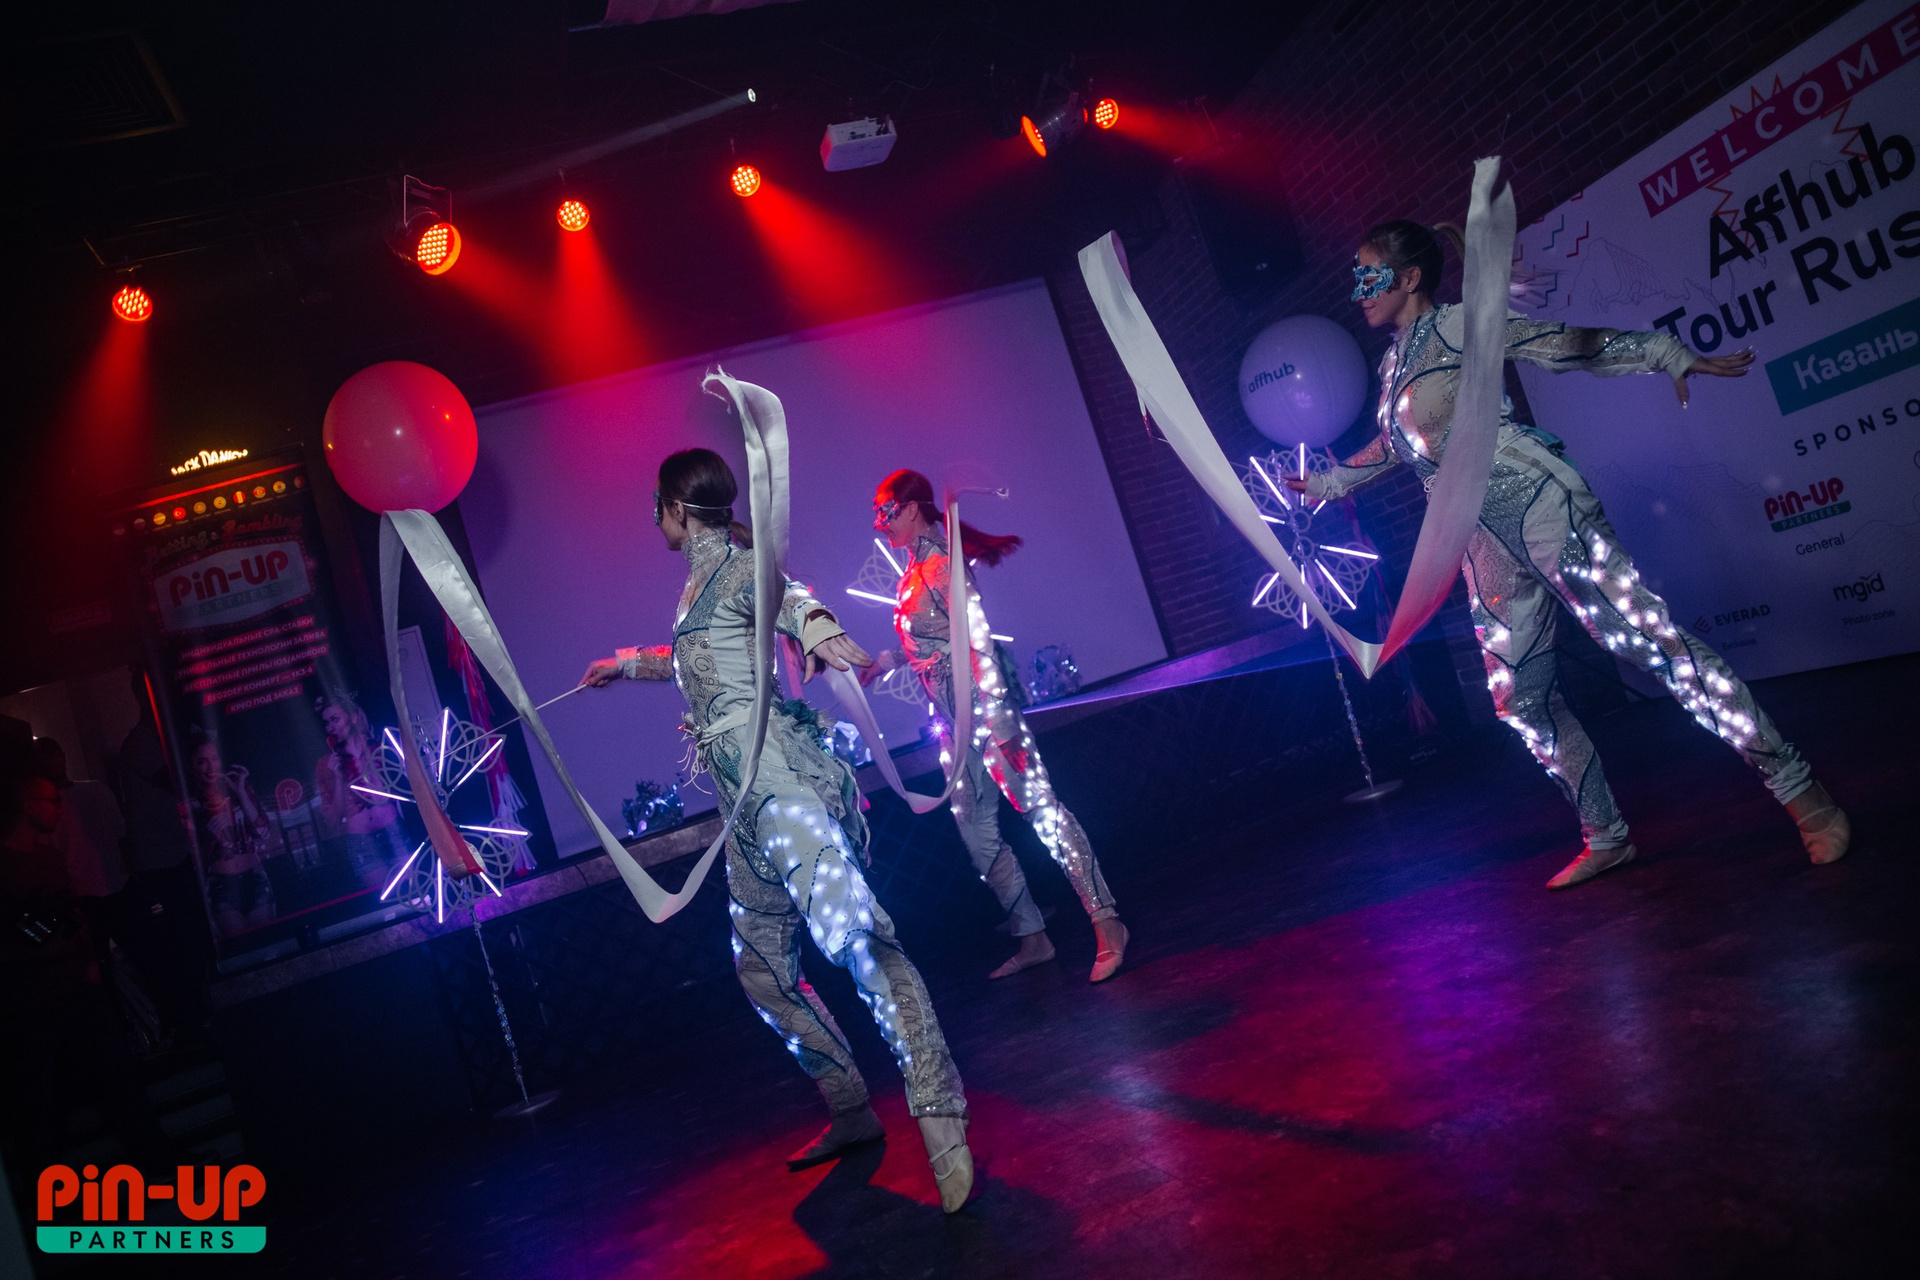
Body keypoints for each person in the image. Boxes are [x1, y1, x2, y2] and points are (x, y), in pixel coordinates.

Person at [1291, 221, 1849, 889]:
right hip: (1475, 538)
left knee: (1652, 645)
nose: (1358, 290)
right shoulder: (1393, 365)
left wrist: (1662, 351)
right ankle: (1606, 836)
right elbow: (1397, 444)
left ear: (1409, 278)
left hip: (1538, 504)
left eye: (1370, 275)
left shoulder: (1462, 324)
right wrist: (1328, 483)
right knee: (1519, 698)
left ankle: (1804, 795)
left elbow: (1559, 342)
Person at [581, 447, 975, 1212]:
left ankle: (939, 1109)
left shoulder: (737, 567)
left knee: (857, 938)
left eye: (656, 506)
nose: (653, 519)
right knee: (762, 971)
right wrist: (624, 664)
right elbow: (696, 657)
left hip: (780, 791)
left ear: (676, 508)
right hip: (744, 813)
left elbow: (787, 597)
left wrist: (820, 630)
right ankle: (852, 1109)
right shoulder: (697, 586)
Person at [864, 470, 1129, 981]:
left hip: (987, 715)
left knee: (1042, 813)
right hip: (952, 729)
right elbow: (929, 639)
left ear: (912, 507)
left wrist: (998, 722)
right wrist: (885, 662)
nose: (880, 523)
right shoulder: (912, 574)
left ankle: (1107, 922)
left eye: (885, 511)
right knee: (977, 836)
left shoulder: (943, 566)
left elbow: (978, 641)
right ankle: (1032, 937)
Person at [0, 773, 172, 1178]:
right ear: (27, 805)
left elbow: (71, 916)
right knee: (40, 1099)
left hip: (74, 986)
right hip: (32, 1001)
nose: (59, 809)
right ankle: (38, 1192)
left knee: (118, 1078)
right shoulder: (9, 867)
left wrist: (87, 957)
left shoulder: (48, 858)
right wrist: (39, 942)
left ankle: (158, 1163)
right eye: (51, 801)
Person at [314, 691, 409, 891]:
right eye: (327, 723)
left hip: (395, 831)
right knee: (385, 901)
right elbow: (332, 821)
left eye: (335, 719)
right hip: (363, 843)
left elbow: (405, 789)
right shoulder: (326, 764)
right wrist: (338, 777)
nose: (331, 727)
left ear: (353, 717)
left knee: (412, 894)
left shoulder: (381, 748)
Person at [185, 732, 278, 937]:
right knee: (241, 946)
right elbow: (196, 861)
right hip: (221, 884)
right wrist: (211, 836)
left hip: (254, 877)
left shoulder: (238, 788)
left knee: (268, 943)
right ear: (191, 767)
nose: (211, 767)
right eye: (202, 761)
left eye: (214, 759)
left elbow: (263, 832)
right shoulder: (191, 804)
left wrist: (241, 792)